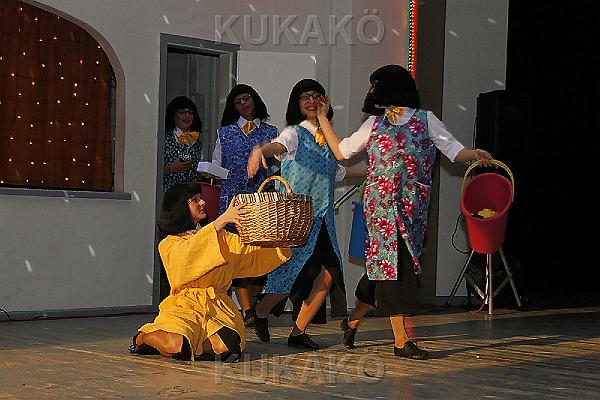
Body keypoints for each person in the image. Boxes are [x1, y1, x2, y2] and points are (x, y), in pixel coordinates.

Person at [315, 64, 493, 359]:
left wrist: (472, 154)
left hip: (412, 209)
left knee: (384, 269)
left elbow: (453, 150)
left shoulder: (426, 120)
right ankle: (401, 341)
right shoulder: (373, 123)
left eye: (375, 85)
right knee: (394, 268)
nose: (371, 91)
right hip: (380, 209)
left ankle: (352, 321)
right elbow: (342, 152)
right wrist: (323, 118)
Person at [245, 79, 362, 350]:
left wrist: (378, 171)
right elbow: (277, 147)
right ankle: (261, 311)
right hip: (298, 220)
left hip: (324, 221)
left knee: (330, 273)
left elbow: (340, 173)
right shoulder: (293, 133)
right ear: (296, 104)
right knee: (287, 277)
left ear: (325, 101)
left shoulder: (330, 138)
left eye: (316, 96)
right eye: (304, 97)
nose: (311, 101)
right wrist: (260, 150)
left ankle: (298, 331)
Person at [129, 183, 290, 361]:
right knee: (176, 344)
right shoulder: (169, 244)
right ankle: (143, 337)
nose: (203, 202)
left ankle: (189, 345)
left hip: (217, 307)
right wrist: (221, 221)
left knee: (229, 348)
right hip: (184, 307)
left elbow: (250, 255)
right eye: (195, 200)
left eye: (201, 198)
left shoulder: (222, 237)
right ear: (180, 207)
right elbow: (189, 255)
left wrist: (280, 241)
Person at [212, 84, 279, 324]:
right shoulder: (225, 133)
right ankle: (247, 310)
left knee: (260, 253)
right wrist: (211, 172)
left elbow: (278, 166)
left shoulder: (271, 132)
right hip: (234, 200)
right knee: (236, 252)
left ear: (255, 100)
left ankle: (257, 305)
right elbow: (217, 165)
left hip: (262, 198)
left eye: (246, 98)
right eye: (238, 101)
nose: (243, 104)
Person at [163, 96, 203, 192]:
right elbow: (151, 171)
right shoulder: (163, 139)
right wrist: (171, 169)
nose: (187, 116)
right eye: (182, 112)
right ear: (173, 115)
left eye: (190, 113)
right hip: (167, 194)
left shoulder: (196, 142)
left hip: (190, 195)